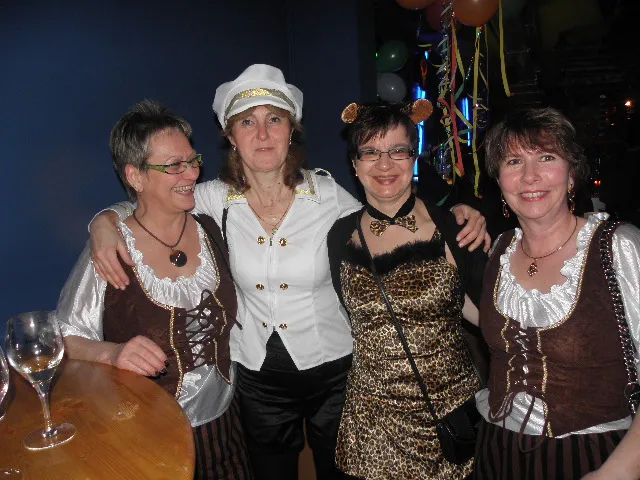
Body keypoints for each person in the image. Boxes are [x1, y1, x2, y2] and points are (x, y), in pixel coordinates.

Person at [87, 64, 489, 480]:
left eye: (275, 120)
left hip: (335, 370)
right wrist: (104, 221)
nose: (262, 134)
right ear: (230, 136)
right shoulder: (212, 198)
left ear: (291, 132)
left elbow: (385, 214)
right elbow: (152, 199)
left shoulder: (327, 194)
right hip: (257, 375)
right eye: (248, 122)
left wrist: (454, 215)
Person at [56, 100, 251, 480]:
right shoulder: (112, 251)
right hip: (147, 428)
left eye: (192, 160)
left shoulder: (214, 228)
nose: (192, 173)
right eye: (174, 165)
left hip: (226, 419)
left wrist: (104, 217)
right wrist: (113, 353)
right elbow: (65, 337)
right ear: (136, 176)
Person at [474, 106, 640, 479]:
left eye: (546, 157)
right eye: (513, 161)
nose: (529, 176)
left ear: (572, 173)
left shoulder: (618, 247)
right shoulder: (499, 248)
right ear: (499, 179)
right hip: (496, 452)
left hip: (592, 457)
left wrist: (617, 471)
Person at [327, 100, 487, 479]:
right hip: (372, 424)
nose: (385, 165)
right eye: (370, 152)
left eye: (398, 150)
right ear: (354, 164)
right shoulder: (339, 236)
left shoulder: (455, 228)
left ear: (414, 157)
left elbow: (489, 319)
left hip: (449, 418)